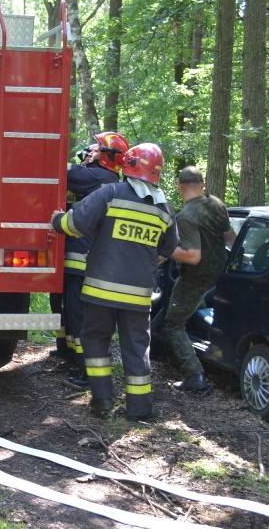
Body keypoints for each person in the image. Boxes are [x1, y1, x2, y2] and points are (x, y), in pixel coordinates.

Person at [51, 143, 179, 421]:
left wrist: (57, 219)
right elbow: (168, 249)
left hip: (100, 290)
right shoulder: (164, 209)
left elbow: (75, 224)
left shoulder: (110, 193)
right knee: (136, 348)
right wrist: (144, 263)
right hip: (138, 295)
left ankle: (102, 400)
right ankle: (140, 409)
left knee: (96, 341)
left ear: (128, 165)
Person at [61, 131, 129, 389]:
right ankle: (73, 359)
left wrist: (80, 162)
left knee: (80, 318)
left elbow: (63, 172)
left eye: (98, 148)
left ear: (108, 158)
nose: (92, 150)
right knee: (73, 313)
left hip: (82, 262)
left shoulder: (99, 177)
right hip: (82, 259)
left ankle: (85, 372)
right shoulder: (104, 177)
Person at [162, 165, 236, 392]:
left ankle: (195, 376)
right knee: (204, 309)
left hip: (196, 279)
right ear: (202, 184)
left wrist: (164, 249)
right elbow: (231, 238)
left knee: (173, 325)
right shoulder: (216, 203)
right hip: (221, 275)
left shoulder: (185, 217)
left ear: (179, 186)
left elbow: (192, 256)